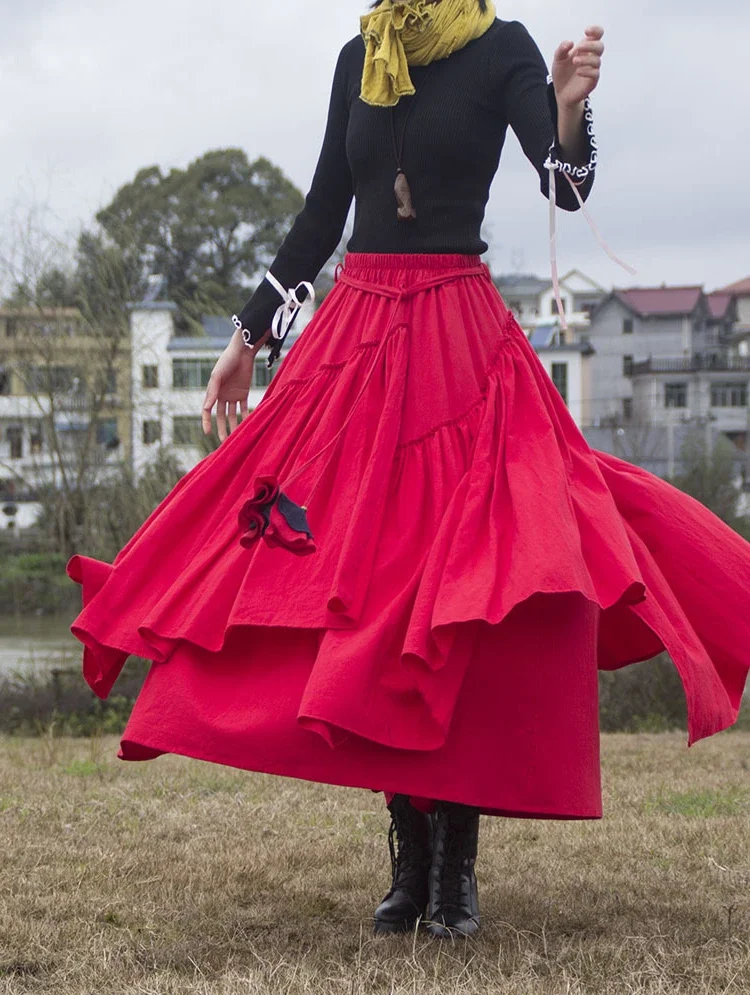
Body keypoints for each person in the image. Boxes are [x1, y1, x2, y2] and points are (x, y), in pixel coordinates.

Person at [67, 0, 750, 941]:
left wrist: (566, 107)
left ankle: (455, 871)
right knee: (367, 600)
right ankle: (409, 857)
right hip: (357, 345)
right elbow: (321, 215)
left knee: (455, 598)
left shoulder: (500, 47)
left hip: (459, 354)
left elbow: (568, 187)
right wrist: (245, 336)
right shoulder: (359, 54)